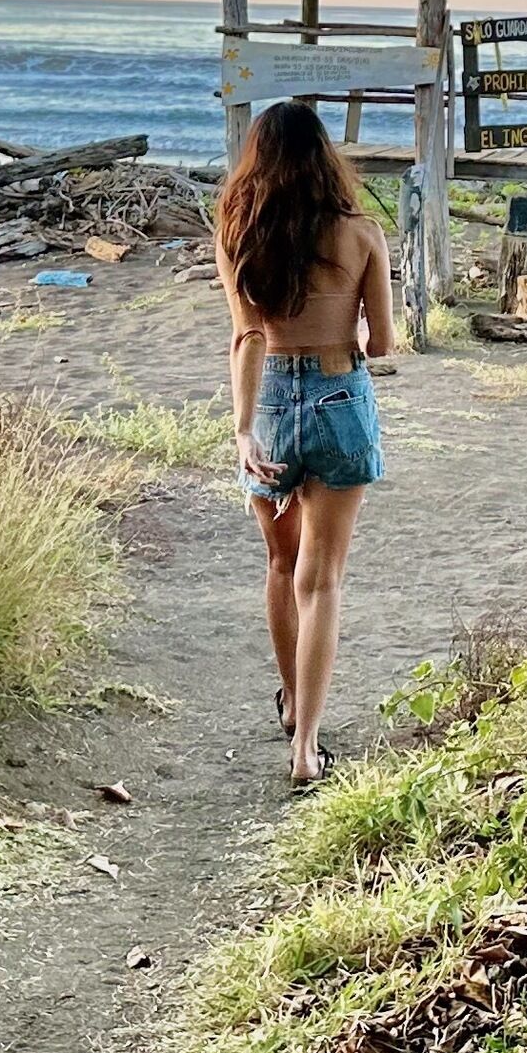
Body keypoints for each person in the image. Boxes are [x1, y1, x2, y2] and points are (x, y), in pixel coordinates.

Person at [218, 101, 394, 784]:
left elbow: (248, 335)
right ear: (326, 158)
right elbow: (381, 343)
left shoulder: (238, 231)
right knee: (322, 579)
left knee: (280, 563)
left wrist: (242, 429)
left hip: (266, 402)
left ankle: (291, 700)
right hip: (340, 394)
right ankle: (306, 749)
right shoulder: (362, 233)